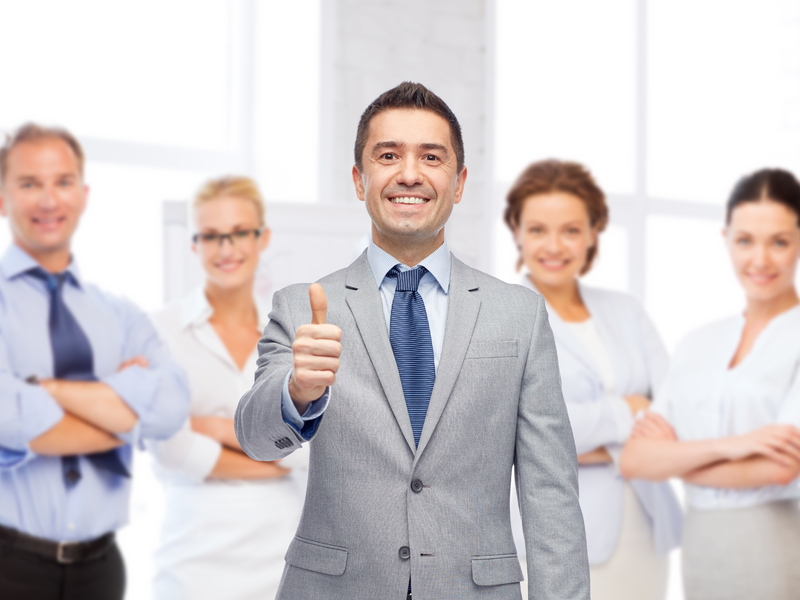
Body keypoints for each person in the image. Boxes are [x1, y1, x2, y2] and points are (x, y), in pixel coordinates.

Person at [235, 82, 590, 600]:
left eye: (431, 156)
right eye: (387, 155)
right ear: (359, 180)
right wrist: (295, 392)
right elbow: (256, 438)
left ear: (459, 181)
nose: (409, 173)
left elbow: (550, 492)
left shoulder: (519, 315)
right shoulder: (302, 305)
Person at [0, 123, 190, 600]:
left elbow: (169, 408)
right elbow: (6, 418)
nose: (49, 201)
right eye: (29, 184)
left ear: (83, 196)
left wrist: (44, 389)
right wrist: (122, 404)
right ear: (3, 198)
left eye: (63, 182)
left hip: (102, 570)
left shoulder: (121, 314)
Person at [504, 159, 681, 600]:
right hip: (557, 531)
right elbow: (514, 429)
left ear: (592, 233)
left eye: (571, 229)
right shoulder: (501, 315)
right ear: (517, 232)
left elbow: (675, 405)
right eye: (538, 229)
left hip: (645, 525)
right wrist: (629, 411)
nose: (554, 245)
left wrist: (593, 444)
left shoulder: (626, 310)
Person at [620, 168, 800, 600]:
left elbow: (782, 466)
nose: (760, 260)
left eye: (779, 241)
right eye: (745, 241)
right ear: (726, 239)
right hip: (700, 548)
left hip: (775, 544)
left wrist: (676, 459)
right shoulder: (698, 343)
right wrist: (734, 446)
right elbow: (635, 460)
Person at [148, 176, 308, 600]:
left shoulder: (295, 328)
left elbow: (315, 448)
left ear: (263, 238)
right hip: (193, 551)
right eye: (212, 236)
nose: (226, 249)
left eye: (240, 233)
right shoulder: (160, 331)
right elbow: (171, 450)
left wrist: (219, 430)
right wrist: (275, 448)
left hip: (284, 546)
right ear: (194, 243)